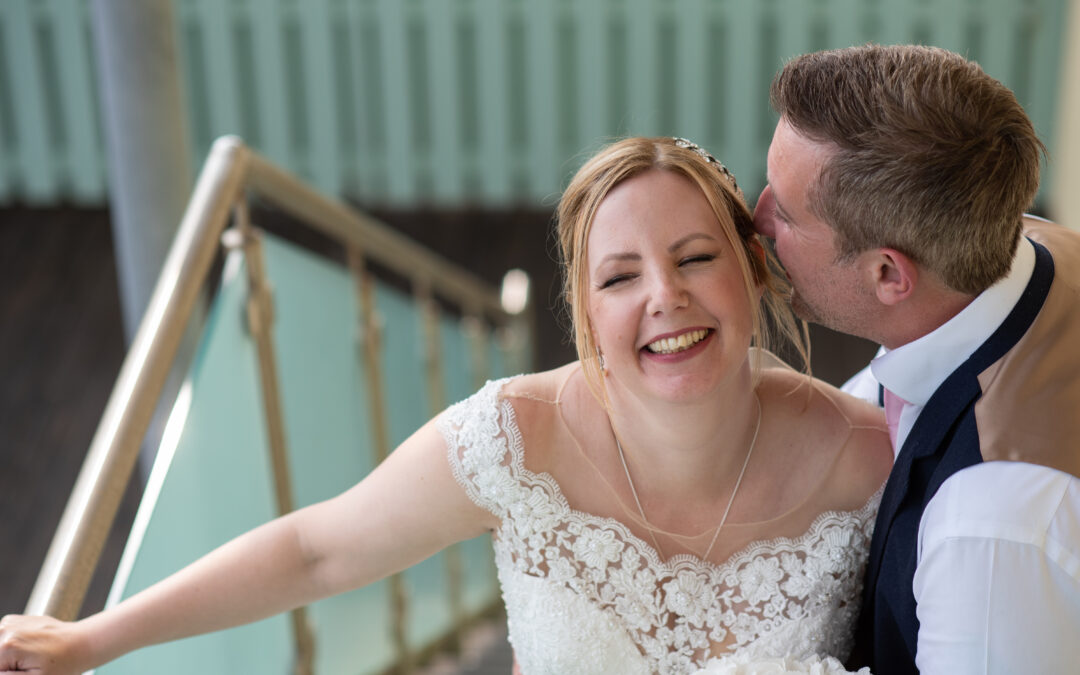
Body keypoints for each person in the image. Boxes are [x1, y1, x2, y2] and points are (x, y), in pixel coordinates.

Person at [0, 137, 891, 675]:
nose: (665, 295)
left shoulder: (865, 454)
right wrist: (92, 640)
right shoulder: (516, 440)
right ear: (586, 315)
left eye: (695, 256)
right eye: (621, 276)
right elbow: (315, 551)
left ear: (751, 267)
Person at [752, 44, 1080, 675]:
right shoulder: (1016, 244)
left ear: (887, 273)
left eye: (786, 215)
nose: (756, 214)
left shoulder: (988, 530)